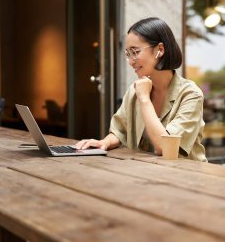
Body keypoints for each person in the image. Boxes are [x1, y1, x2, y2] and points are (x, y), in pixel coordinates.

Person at [76, 17, 206, 162]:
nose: (131, 61)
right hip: (145, 173)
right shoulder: (135, 90)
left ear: (160, 50)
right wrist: (104, 143)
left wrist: (144, 99)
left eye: (135, 52)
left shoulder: (190, 94)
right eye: (128, 54)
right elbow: (120, 131)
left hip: (189, 176)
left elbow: (165, 147)